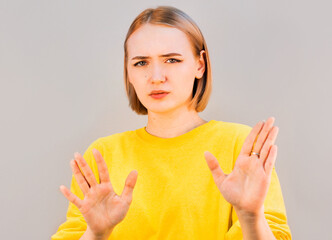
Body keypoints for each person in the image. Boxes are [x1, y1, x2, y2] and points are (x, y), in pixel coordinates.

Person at [52, 6, 291, 240]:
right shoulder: (102, 155)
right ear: (128, 72)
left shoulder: (241, 146)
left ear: (200, 65)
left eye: (172, 60)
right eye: (141, 63)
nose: (156, 77)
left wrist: (250, 217)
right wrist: (96, 233)